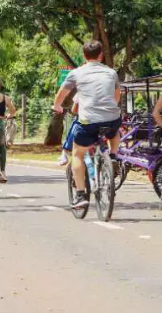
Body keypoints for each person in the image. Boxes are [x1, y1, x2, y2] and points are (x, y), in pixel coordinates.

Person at [52, 40, 121, 209]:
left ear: (84, 56)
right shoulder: (112, 73)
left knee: (77, 154)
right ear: (101, 55)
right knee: (114, 131)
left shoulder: (76, 73)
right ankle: (112, 156)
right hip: (111, 118)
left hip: (88, 121)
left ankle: (81, 194)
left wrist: (57, 107)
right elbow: (116, 96)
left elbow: (61, 94)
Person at [56, 102, 80, 166]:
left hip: (87, 120)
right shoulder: (108, 92)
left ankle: (65, 153)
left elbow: (74, 110)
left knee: (76, 125)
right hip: (107, 121)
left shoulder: (82, 93)